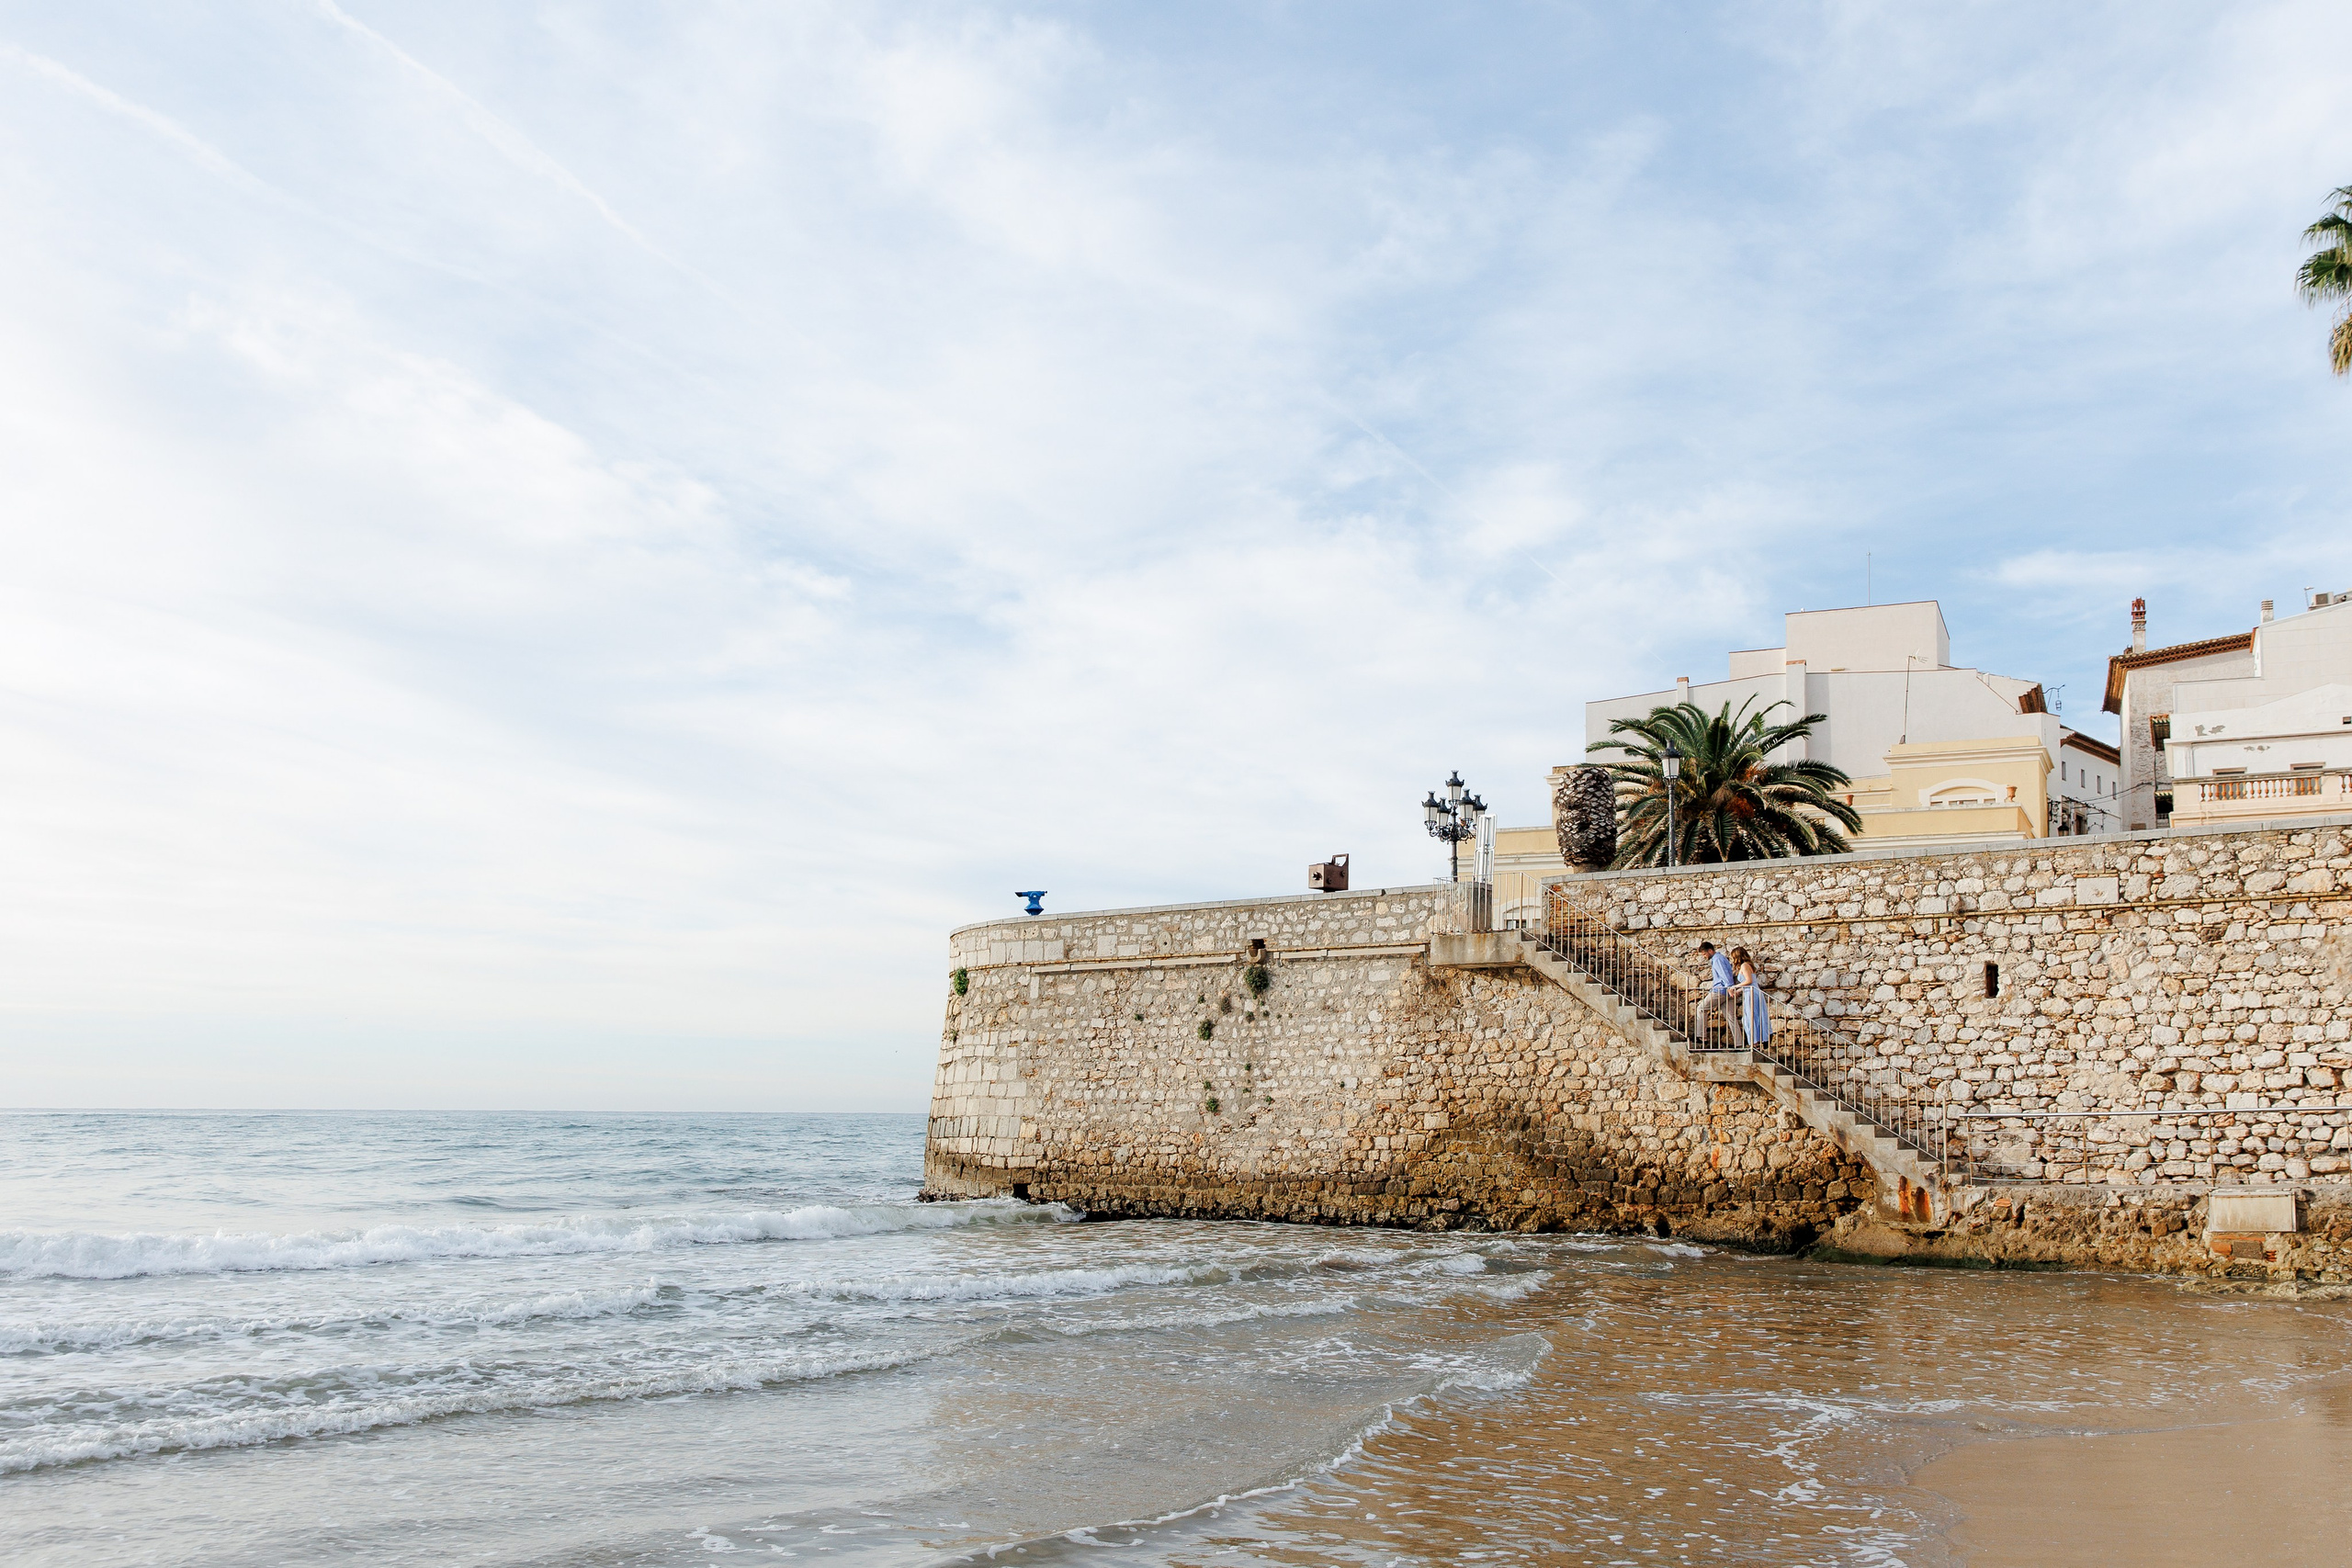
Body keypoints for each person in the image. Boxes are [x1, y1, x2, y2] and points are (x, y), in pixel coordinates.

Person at [1692, 941, 1745, 1048]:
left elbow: (1724, 974)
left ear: (1710, 951)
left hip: (1720, 990)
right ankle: (1739, 1044)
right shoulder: (1721, 958)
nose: (1704, 956)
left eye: (1704, 954)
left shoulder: (1717, 959)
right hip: (1727, 991)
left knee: (1701, 1008)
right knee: (1731, 1017)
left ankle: (1701, 1037)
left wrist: (1730, 987)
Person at [1730, 945, 1772, 1049]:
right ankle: (1755, 1042)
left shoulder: (1744, 966)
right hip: (1751, 992)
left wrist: (1734, 987)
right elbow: (1749, 984)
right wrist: (1738, 990)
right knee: (1751, 1017)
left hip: (1752, 994)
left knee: (1750, 1018)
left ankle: (1755, 1043)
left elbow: (1749, 981)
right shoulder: (1747, 965)